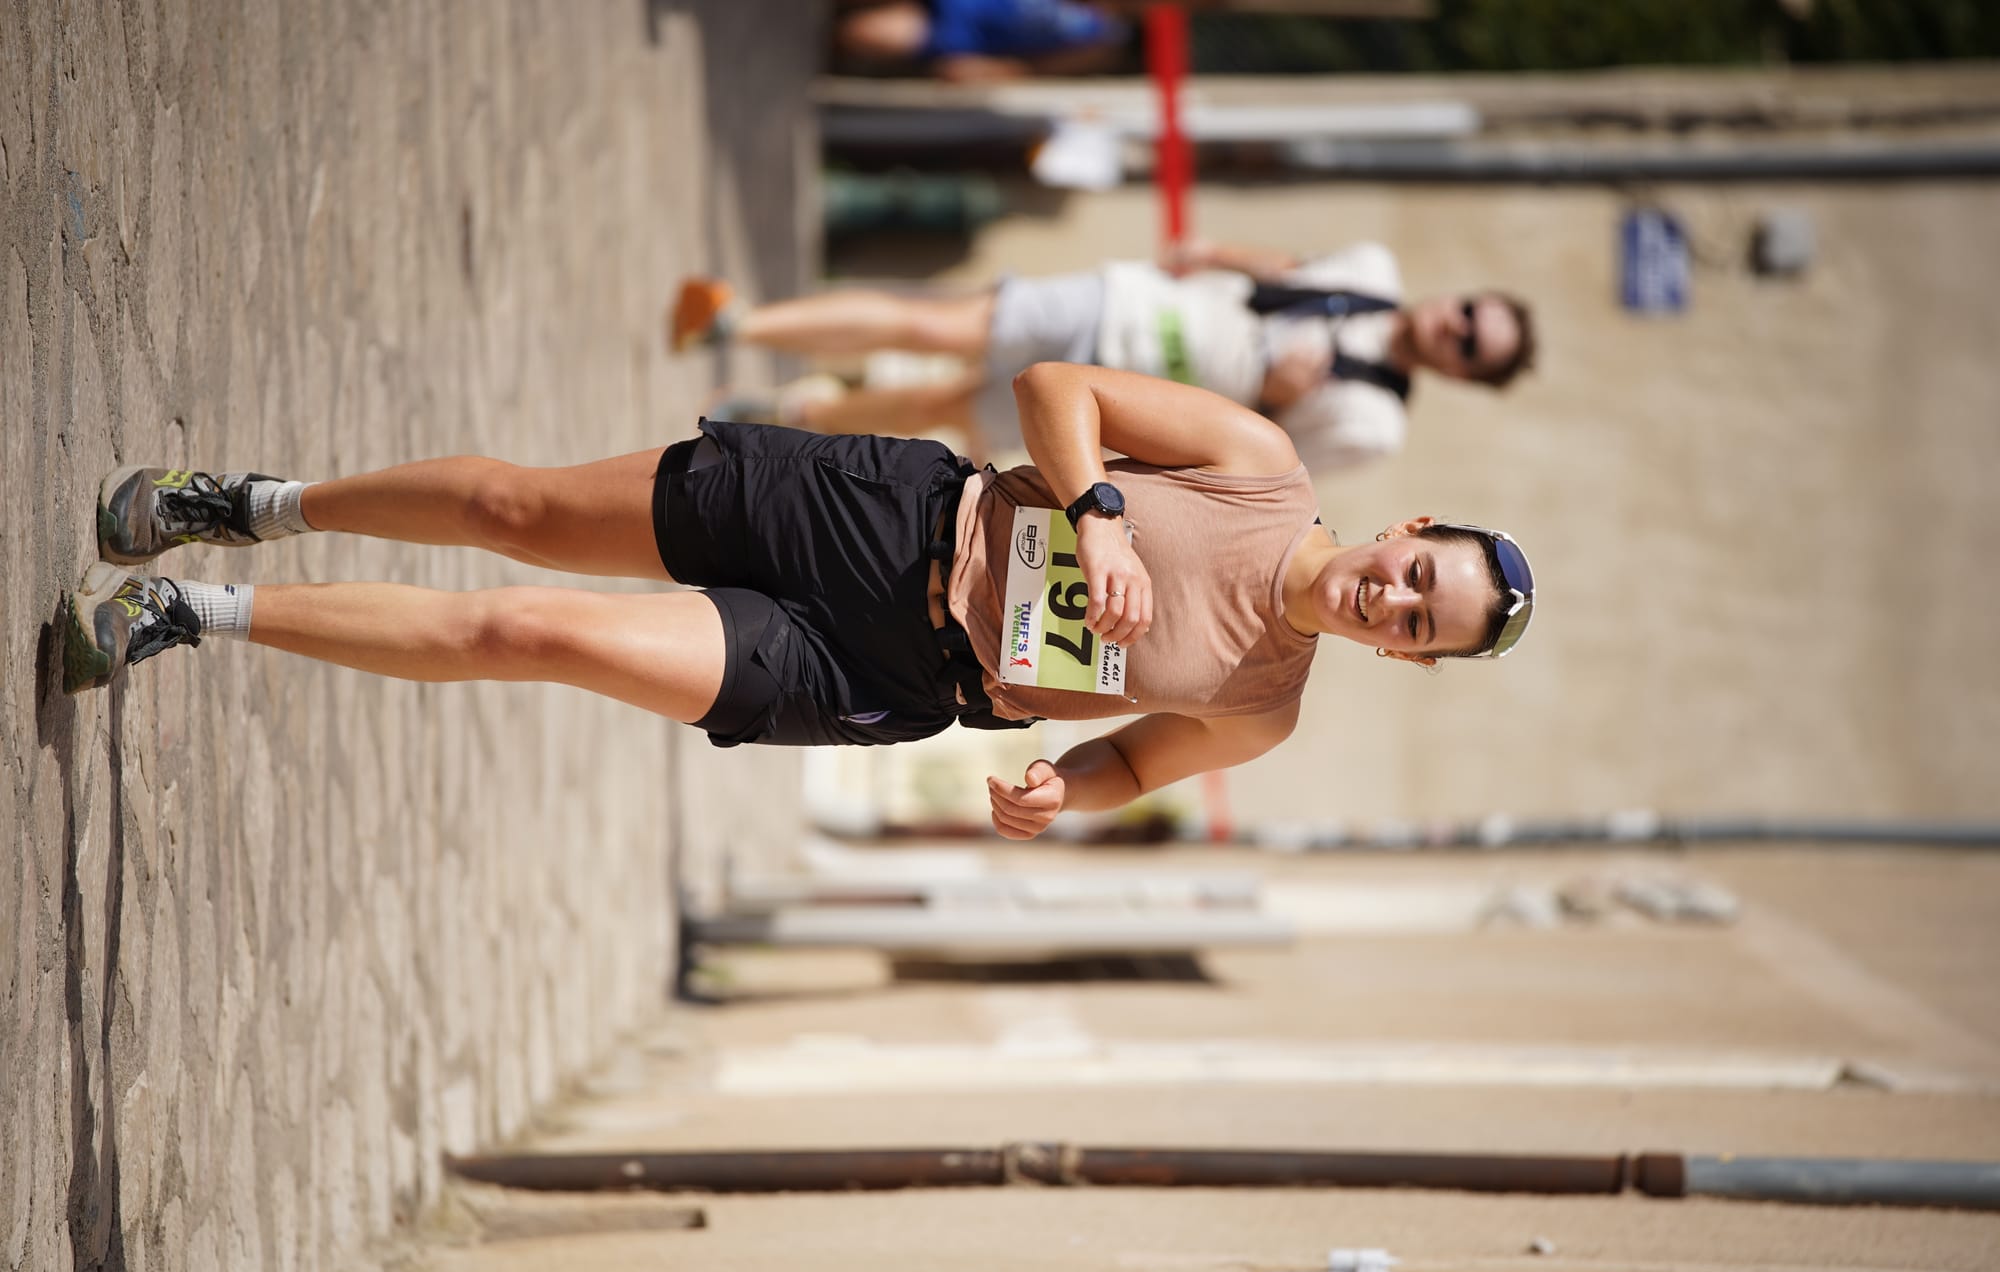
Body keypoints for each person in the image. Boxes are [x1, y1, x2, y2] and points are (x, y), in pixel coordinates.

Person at [61, 364, 1534, 840]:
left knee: (535, 633)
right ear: (1407, 528)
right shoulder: (1261, 465)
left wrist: (1056, 794)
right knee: (517, 512)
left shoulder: (1261, 713)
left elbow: (1130, 763)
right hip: (882, 510)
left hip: (883, 673)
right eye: (1419, 574)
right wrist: (1097, 515)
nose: (1393, 600)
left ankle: (193, 617)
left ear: (1407, 660)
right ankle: (251, 503)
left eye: (1419, 625)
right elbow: (1054, 389)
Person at [669, 237, 1536, 468]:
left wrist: (1275, 395)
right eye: (1470, 312)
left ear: (1464, 376)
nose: (1454, 327)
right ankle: (738, 323)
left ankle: (779, 414)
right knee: (935, 327)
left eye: (1470, 345)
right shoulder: (1375, 271)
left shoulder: (1374, 423)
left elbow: (1255, 465)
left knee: (938, 407)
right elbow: (1290, 269)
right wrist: (1217, 252)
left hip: (1112, 396)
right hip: (1127, 303)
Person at [833, 0, 1135, 83]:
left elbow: (1033, 69)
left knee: (869, 32)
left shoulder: (1101, 43)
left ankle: (835, 42)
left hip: (965, 34)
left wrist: (986, 70)